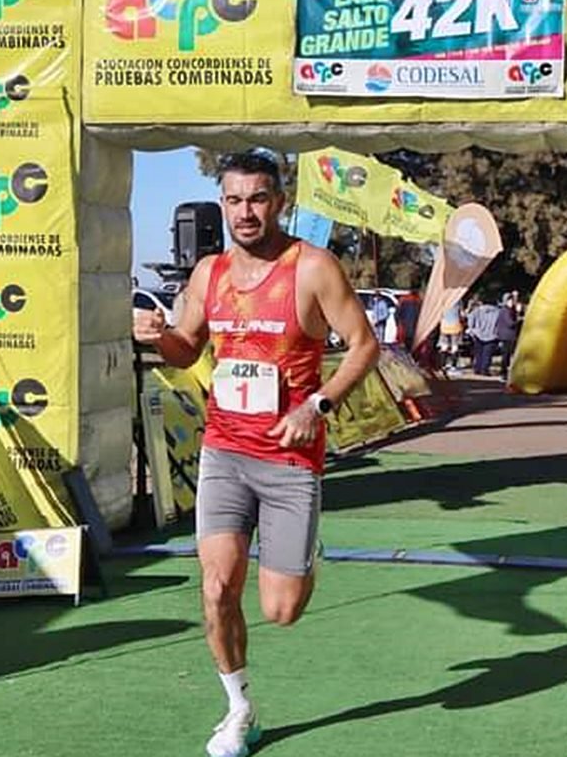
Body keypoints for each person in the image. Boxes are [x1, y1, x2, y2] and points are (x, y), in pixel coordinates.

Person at [133, 150, 379, 757]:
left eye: (258, 199)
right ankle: (239, 708)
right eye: (235, 200)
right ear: (223, 205)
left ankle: (301, 552)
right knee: (216, 588)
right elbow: (187, 350)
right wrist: (157, 335)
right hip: (224, 451)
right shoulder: (208, 274)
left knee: (281, 609)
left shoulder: (312, 268)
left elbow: (363, 346)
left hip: (290, 458)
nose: (246, 212)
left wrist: (315, 406)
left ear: (279, 202)